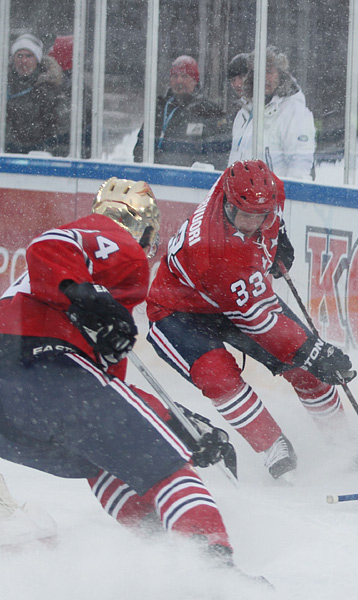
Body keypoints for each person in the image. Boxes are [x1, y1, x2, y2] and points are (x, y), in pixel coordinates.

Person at [0, 178, 245, 566]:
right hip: (43, 367)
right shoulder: (117, 244)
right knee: (165, 464)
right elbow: (48, 244)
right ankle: (215, 571)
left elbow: (109, 395)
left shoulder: (72, 284)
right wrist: (82, 292)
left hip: (15, 415)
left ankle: (168, 554)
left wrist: (177, 420)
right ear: (143, 227)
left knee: (103, 456)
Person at [145, 160, 358, 480]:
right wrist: (317, 353)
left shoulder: (265, 189)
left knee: (304, 370)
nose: (252, 222)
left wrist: (278, 239)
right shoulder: (211, 247)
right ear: (228, 204)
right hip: (179, 308)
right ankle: (272, 445)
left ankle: (343, 440)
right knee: (218, 376)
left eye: (262, 215)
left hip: (236, 291)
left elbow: (271, 218)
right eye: (245, 215)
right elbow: (261, 322)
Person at [229, 46, 316, 181]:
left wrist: (280, 199)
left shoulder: (293, 112)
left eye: (269, 71)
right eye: (258, 72)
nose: (264, 77)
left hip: (272, 200)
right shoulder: (244, 113)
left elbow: (299, 167)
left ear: (280, 75)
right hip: (244, 199)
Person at [133, 55, 231, 169]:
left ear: (195, 80)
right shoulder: (160, 108)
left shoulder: (209, 111)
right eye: (174, 76)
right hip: (157, 179)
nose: (178, 80)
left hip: (191, 182)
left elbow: (222, 153)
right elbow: (141, 147)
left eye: (184, 76)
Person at [5, 33, 65, 155]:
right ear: (13, 59)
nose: (24, 61)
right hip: (7, 151)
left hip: (40, 152)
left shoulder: (49, 88)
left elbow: (57, 125)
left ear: (37, 60)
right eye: (19, 56)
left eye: (29, 56)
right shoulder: (5, 84)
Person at [227, 52, 251, 118]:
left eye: (242, 77)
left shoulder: (266, 106)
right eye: (233, 80)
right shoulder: (237, 113)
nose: (237, 84)